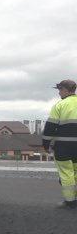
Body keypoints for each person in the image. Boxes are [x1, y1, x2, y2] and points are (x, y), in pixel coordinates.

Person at [42, 79, 77, 208]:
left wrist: (46, 145)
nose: (59, 93)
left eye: (60, 90)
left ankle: (70, 201)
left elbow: (50, 128)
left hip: (63, 147)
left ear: (65, 89)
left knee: (67, 173)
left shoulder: (60, 105)